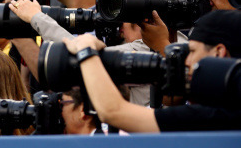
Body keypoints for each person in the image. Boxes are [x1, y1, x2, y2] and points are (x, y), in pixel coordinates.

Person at [64, 10, 241, 132]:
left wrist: (86, 49)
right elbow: (171, 100)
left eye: (193, 51)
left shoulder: (217, 114)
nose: (187, 61)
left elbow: (113, 112)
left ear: (219, 52)